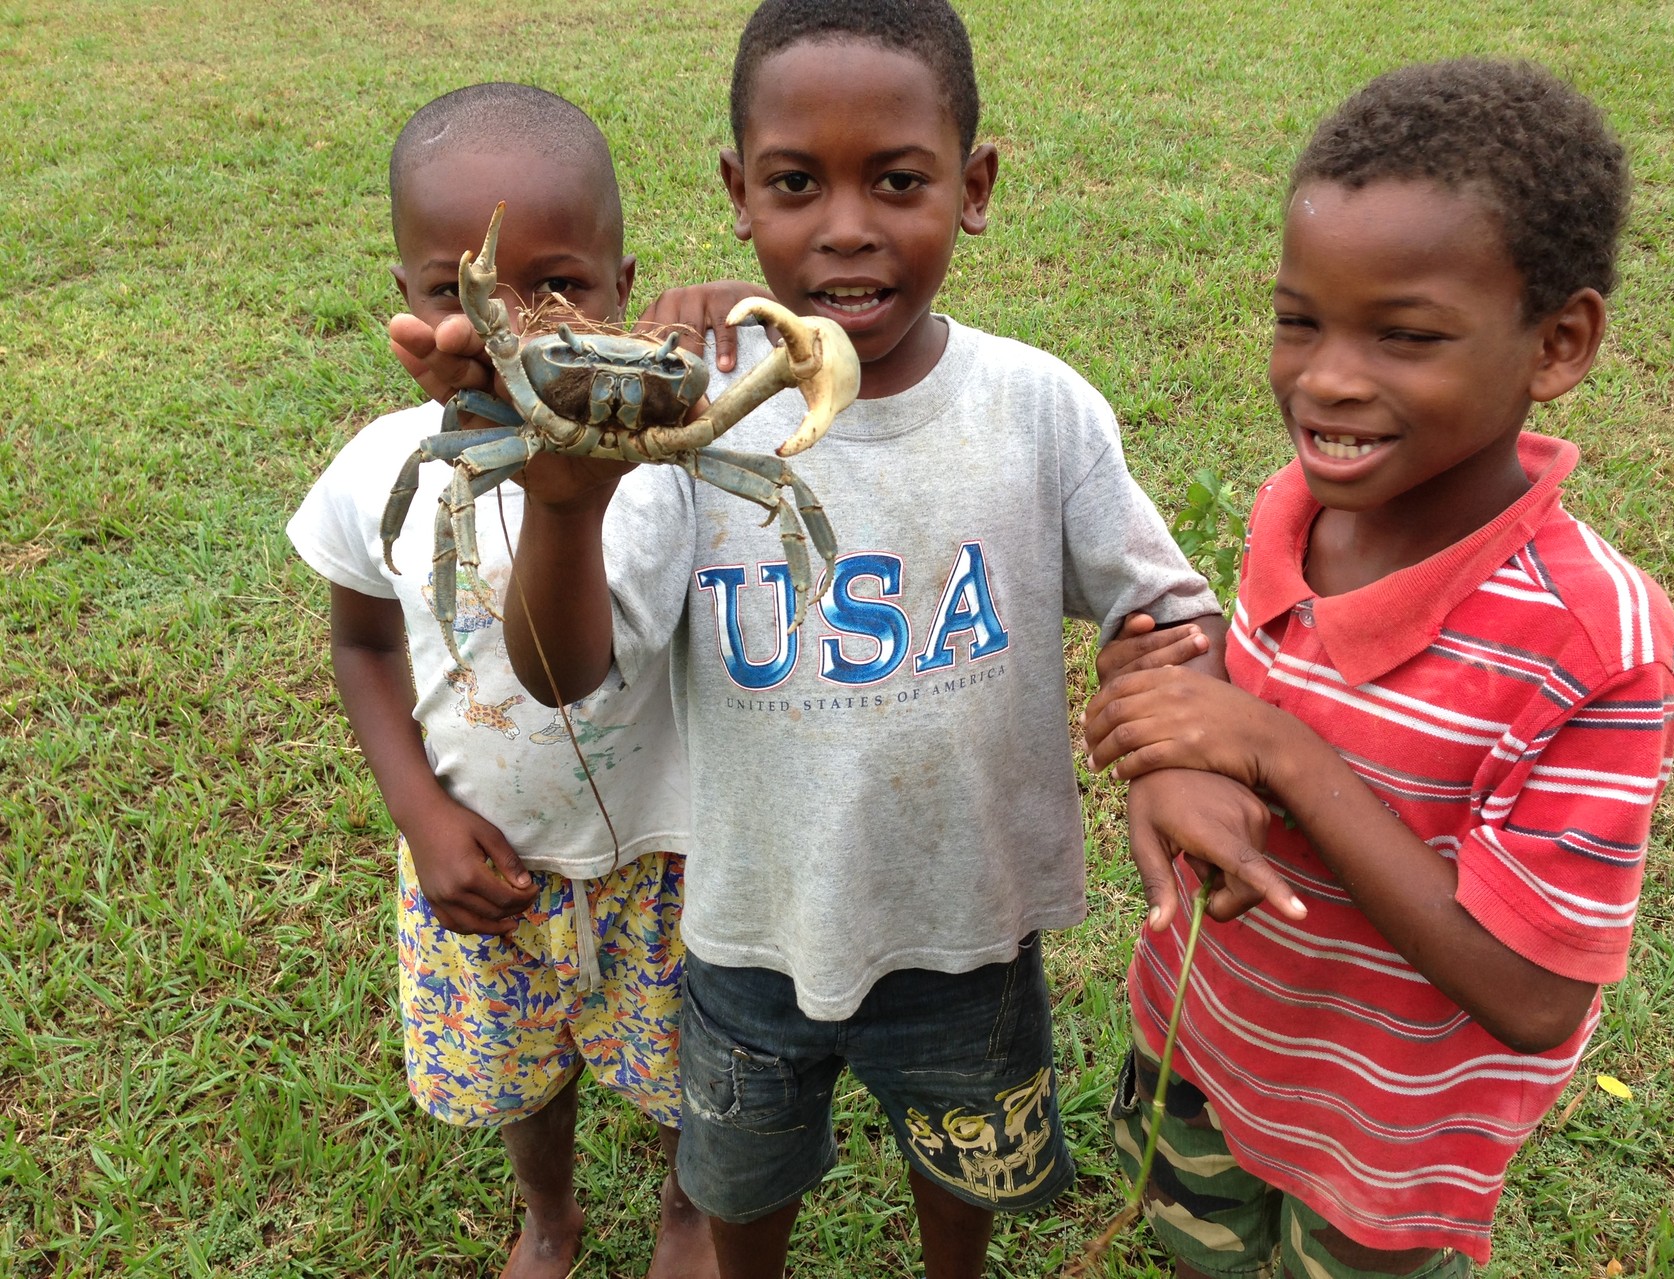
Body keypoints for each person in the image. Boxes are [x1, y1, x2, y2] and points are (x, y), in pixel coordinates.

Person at [459, 3, 1229, 1276]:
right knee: (740, 1191)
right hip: (752, 928)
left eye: (899, 180)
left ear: (973, 188)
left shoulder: (1036, 408)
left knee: (960, 1170)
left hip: (969, 929)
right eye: (795, 184)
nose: (847, 226)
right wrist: (563, 494)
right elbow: (559, 671)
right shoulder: (686, 419)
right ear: (736, 195)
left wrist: (1164, 696)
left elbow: (1163, 602)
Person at [1082, 60, 1674, 1278]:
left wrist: (1282, 759)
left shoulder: (1591, 641)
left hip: (1385, 1138)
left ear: (1556, 342)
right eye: (1298, 318)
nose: (1326, 378)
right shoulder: (1289, 508)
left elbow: (1529, 996)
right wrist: (1162, 760)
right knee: (1193, 1242)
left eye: (1402, 335)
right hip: (1207, 1041)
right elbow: (1231, 703)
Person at [287, 82, 729, 1279]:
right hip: (480, 853)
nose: (510, 327)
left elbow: (563, 670)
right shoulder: (387, 465)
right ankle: (550, 1214)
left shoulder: (663, 477)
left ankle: (688, 1213)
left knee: (688, 1072)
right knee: (520, 1078)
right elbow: (363, 642)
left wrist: (563, 493)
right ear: (412, 305)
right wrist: (418, 810)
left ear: (625, 292)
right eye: (460, 292)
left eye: (559, 289)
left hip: (662, 854)